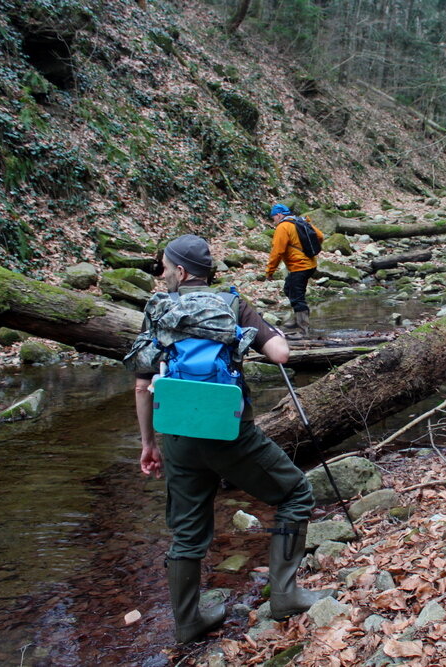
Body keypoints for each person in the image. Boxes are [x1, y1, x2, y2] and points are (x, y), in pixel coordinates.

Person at [126, 234, 330, 644]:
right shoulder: (234, 304)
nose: (162, 274)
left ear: (181, 272)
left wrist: (148, 444)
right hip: (230, 433)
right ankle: (286, 595)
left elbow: (141, 385)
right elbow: (281, 354)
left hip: (179, 436)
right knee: (294, 496)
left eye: (164, 267)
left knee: (186, 531)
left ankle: (188, 622)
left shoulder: (159, 311)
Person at [264, 204, 324, 337]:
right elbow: (319, 236)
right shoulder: (299, 220)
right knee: (289, 288)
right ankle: (298, 320)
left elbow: (277, 251)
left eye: (273, 217)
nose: (273, 220)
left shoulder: (283, 227)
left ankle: (303, 331)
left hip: (299, 266)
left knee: (297, 297)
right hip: (310, 264)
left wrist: (270, 271)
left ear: (279, 215)